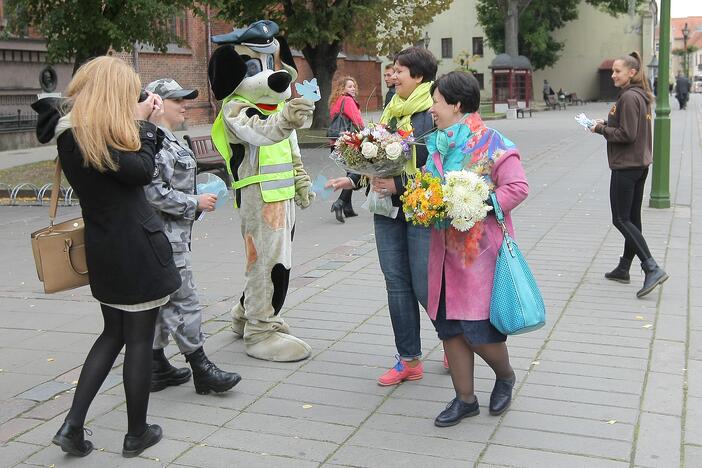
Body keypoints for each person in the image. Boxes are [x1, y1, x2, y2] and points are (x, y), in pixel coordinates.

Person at [34, 56, 182, 458]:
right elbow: (141, 171)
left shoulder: (71, 135)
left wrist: (134, 123)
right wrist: (148, 126)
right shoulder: (100, 137)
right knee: (137, 339)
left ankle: (71, 427)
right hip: (136, 248)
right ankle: (137, 434)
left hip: (104, 248)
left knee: (112, 334)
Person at [326, 46, 437, 385]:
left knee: (424, 285)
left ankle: (455, 339)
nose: (392, 75)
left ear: (417, 76)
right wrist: (355, 177)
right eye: (392, 70)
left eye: (399, 70)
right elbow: (374, 151)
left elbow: (436, 166)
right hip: (387, 211)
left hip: (419, 211)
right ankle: (409, 359)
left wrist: (398, 182)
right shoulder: (391, 109)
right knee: (396, 284)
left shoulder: (432, 113)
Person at [423, 71, 526, 427]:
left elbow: (517, 187)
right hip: (442, 253)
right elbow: (427, 186)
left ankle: (506, 376)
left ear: (456, 104)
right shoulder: (437, 143)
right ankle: (464, 399)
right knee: (449, 327)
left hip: (478, 255)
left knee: (479, 330)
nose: (431, 108)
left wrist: (478, 203)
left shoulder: (493, 141)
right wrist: (420, 200)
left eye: (436, 101)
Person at [143, 78, 241, 395]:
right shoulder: (156, 142)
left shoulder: (164, 139)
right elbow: (153, 192)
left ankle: (156, 365)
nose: (185, 104)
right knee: (186, 302)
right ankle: (201, 368)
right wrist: (193, 203)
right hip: (165, 239)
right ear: (157, 104)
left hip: (171, 236)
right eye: (177, 100)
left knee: (162, 303)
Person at [589, 51, 669, 298]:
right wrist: (607, 122)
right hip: (639, 165)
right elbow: (628, 126)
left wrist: (601, 129)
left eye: (617, 71)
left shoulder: (629, 97)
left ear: (631, 73)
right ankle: (624, 268)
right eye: (612, 71)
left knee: (621, 219)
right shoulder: (639, 96)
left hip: (627, 166)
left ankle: (651, 266)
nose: (613, 75)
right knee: (632, 219)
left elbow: (627, 135)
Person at [329, 76, 364, 223]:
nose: (353, 88)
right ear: (342, 89)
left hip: (335, 143)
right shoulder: (348, 100)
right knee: (356, 172)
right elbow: (358, 121)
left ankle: (347, 208)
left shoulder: (336, 101)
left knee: (350, 172)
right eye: (350, 86)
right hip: (347, 143)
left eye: (354, 86)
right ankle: (340, 202)